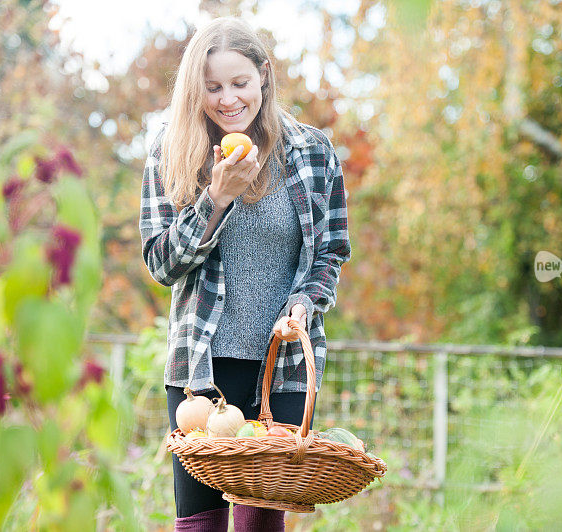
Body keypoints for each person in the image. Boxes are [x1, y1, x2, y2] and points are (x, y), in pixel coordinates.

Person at [138, 16, 350, 532]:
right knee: (200, 521)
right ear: (196, 90)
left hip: (286, 366)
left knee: (261, 522)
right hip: (203, 366)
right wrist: (218, 195)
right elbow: (161, 263)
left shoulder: (312, 153)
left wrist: (306, 300)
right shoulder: (173, 151)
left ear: (264, 78)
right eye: (212, 87)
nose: (228, 99)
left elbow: (331, 253)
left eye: (239, 83)